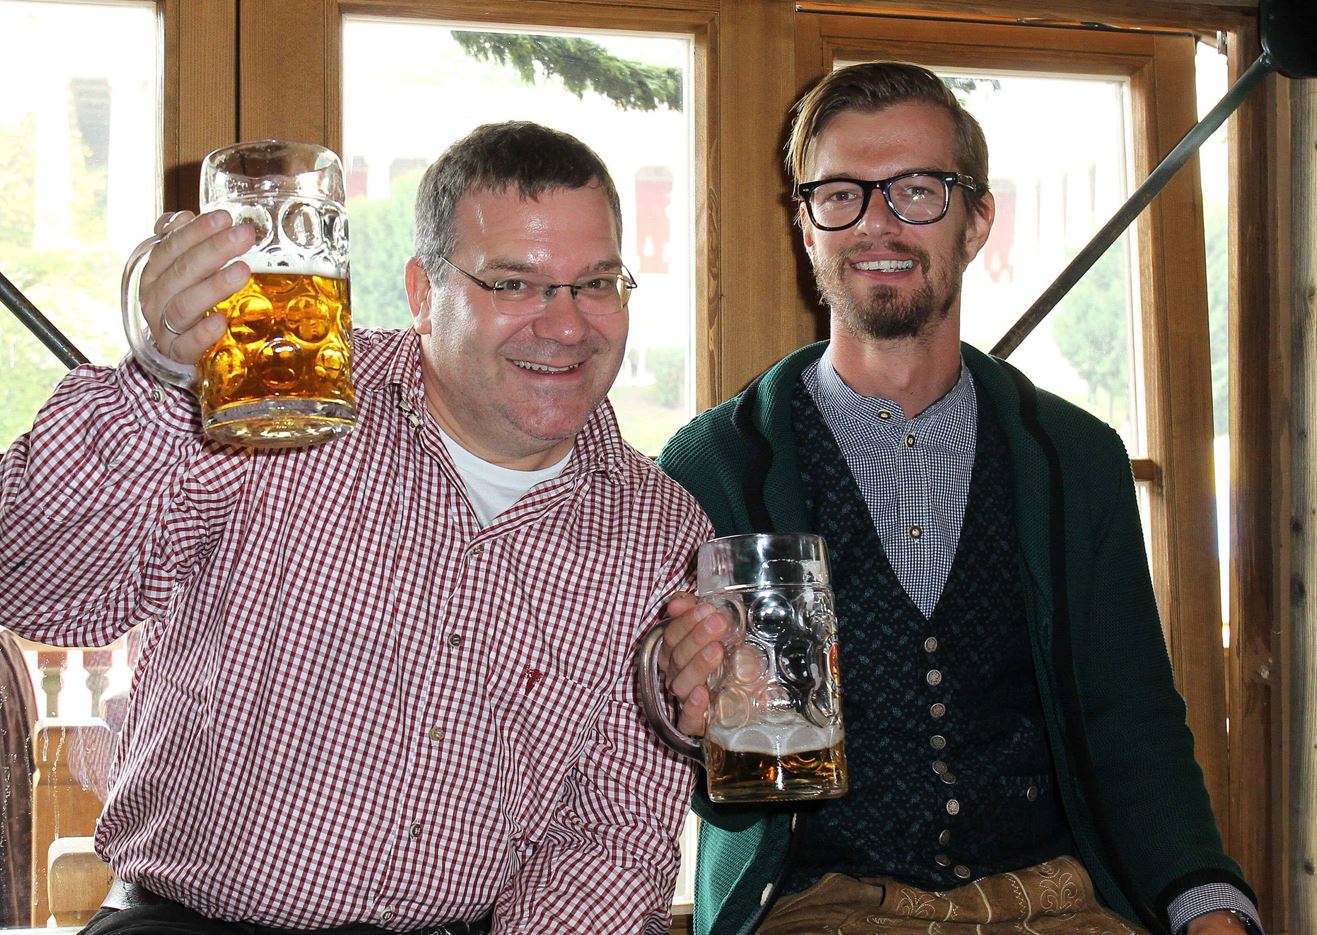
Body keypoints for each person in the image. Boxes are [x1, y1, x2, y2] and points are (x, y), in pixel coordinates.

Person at [0, 121, 711, 935]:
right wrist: (161, 378)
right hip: (186, 922)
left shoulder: (660, 527)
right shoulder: (276, 399)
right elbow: (36, 587)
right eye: (514, 283)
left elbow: (612, 834)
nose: (566, 325)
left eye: (595, 283)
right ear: (421, 293)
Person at [655, 63, 1259, 935]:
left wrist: (1208, 907)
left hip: (1054, 902)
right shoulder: (714, 463)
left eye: (915, 190)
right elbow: (701, 773)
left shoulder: (1075, 460)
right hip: (818, 907)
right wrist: (684, 713)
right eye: (840, 194)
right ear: (804, 225)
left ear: (976, 219)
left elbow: (1131, 721)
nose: (876, 222)